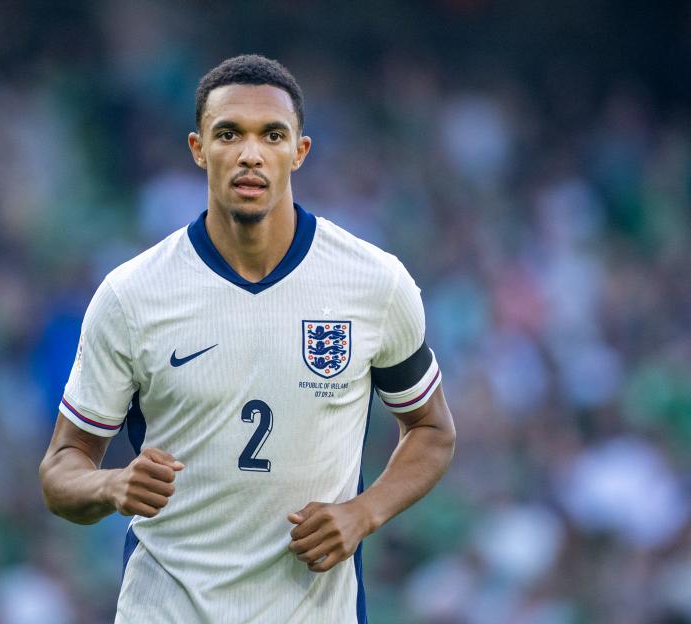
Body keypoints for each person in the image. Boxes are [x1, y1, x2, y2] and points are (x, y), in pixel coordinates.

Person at [39, 54, 456, 623]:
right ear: (197, 148)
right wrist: (113, 485)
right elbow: (62, 467)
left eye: (272, 135)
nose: (250, 154)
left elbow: (431, 429)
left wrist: (364, 513)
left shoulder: (374, 284)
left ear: (299, 152)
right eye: (229, 134)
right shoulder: (131, 295)